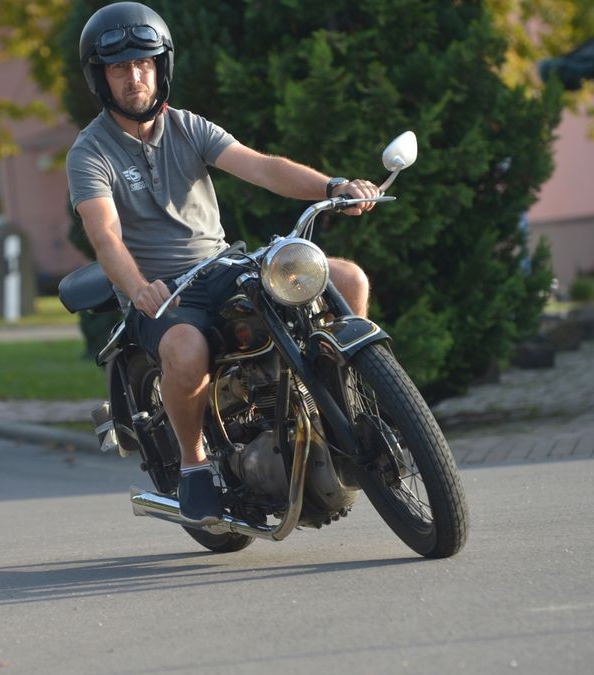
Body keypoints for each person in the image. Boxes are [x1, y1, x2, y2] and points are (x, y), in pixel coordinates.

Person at [66, 1, 381, 525]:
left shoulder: (188, 126)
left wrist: (332, 187)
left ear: (161, 67)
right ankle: (194, 466)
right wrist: (139, 287)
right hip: (164, 292)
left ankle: (340, 402)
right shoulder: (90, 152)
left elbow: (261, 167)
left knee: (344, 277)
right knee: (186, 348)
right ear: (100, 77)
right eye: (120, 68)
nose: (134, 77)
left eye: (144, 64)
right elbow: (105, 235)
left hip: (222, 265)